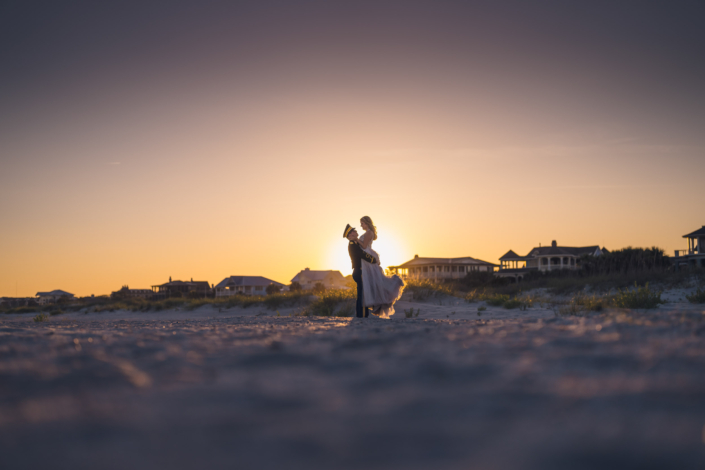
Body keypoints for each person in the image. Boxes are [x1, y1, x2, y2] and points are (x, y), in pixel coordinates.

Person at [357, 216, 405, 318]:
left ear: (366, 223)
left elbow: (364, 246)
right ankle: (374, 304)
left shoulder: (369, 232)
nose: (361, 225)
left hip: (367, 258)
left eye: (362, 223)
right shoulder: (368, 232)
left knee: (375, 280)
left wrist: (356, 239)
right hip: (366, 258)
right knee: (373, 281)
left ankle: (395, 281)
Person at [344, 224, 378, 318]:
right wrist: (374, 259)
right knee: (362, 294)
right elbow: (362, 254)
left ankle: (361, 314)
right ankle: (362, 315)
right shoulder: (353, 245)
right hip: (359, 271)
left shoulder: (354, 244)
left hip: (359, 271)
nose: (355, 232)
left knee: (361, 293)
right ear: (350, 236)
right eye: (353, 231)